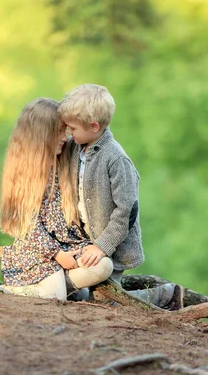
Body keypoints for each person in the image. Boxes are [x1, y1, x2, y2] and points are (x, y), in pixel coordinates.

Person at [59, 84, 183, 309]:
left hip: (112, 246)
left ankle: (164, 296)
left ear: (94, 126)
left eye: (73, 129)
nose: (69, 134)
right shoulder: (78, 147)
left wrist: (102, 246)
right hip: (85, 240)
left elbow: (126, 212)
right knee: (82, 293)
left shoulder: (116, 160)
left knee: (106, 302)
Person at [0, 97, 113, 301]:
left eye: (66, 131)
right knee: (56, 297)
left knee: (104, 266)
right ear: (40, 136)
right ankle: (8, 291)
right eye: (59, 132)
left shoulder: (62, 161)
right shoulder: (24, 173)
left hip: (66, 246)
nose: (64, 137)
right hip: (38, 251)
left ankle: (57, 287)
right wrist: (58, 255)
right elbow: (30, 227)